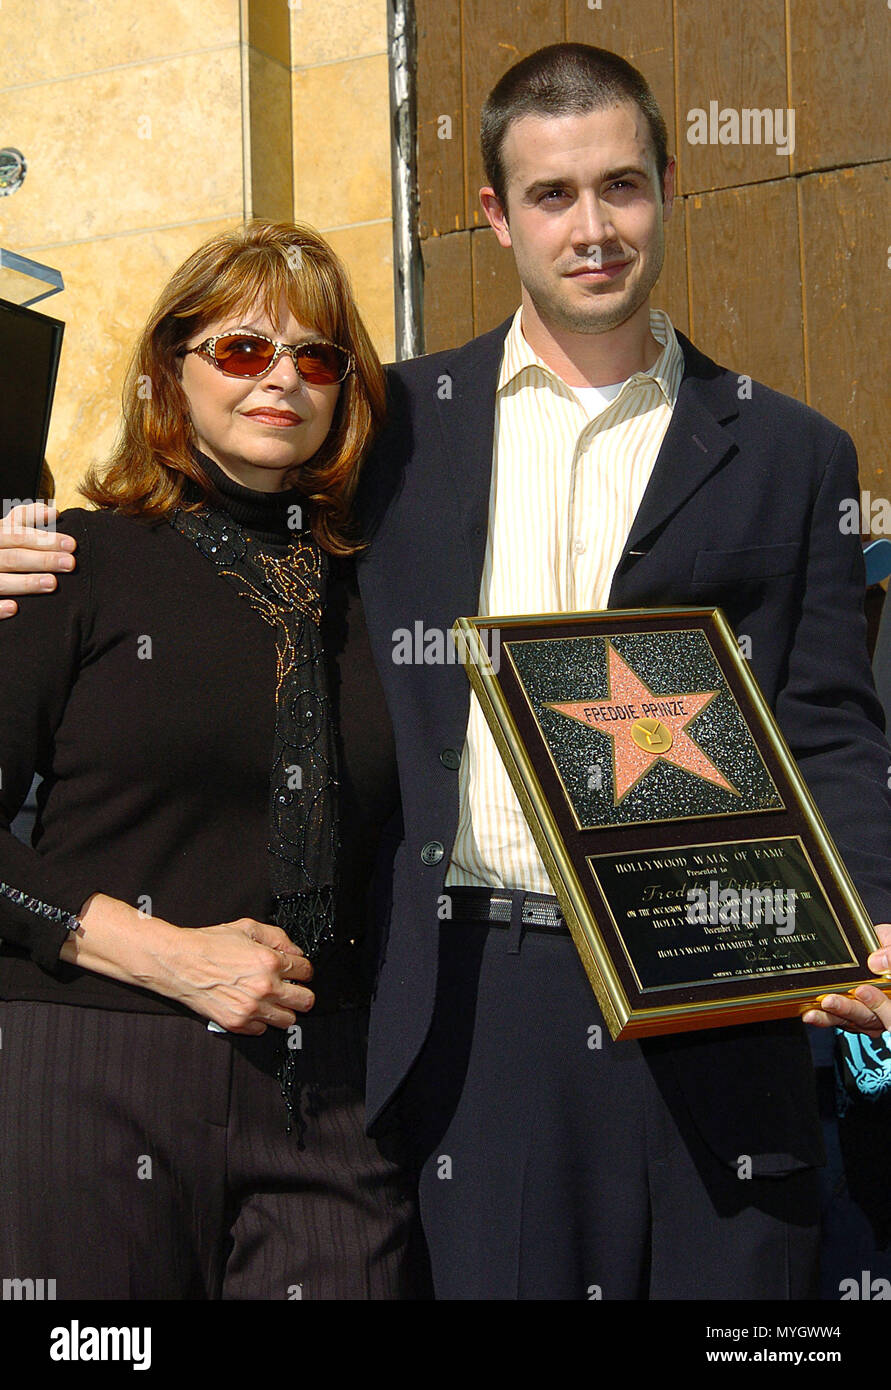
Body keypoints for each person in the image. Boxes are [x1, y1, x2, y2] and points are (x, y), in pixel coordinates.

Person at [8, 44, 891, 1301]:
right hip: (479, 997)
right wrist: (23, 540)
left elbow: (831, 725)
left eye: (623, 187)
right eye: (552, 195)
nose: (593, 228)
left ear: (671, 186)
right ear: (495, 215)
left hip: (717, 990)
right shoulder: (394, 425)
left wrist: (866, 907)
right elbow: (215, 515)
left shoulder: (794, 450)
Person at [0, 219, 418, 1299]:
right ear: (168, 374)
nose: (281, 378)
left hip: (327, 1094)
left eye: (315, 356)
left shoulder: (384, 595)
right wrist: (157, 950)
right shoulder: (74, 562)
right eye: (241, 350)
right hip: (95, 1068)